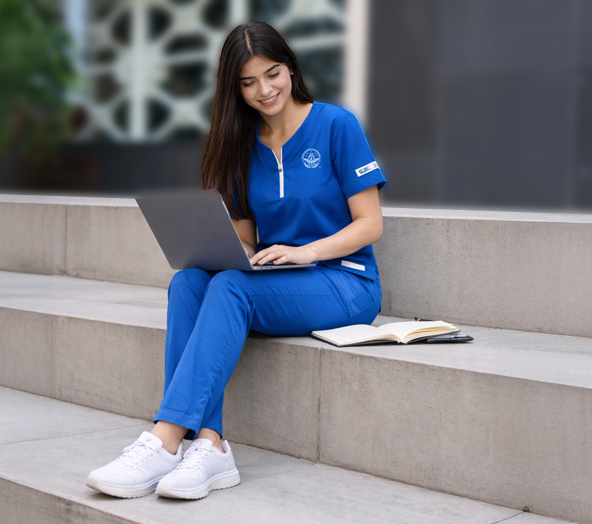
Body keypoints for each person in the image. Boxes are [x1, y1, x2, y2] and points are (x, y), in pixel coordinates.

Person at [86, 20, 386, 501]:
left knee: (229, 287)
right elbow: (245, 242)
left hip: (343, 283)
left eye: (272, 74)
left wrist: (304, 251)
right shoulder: (242, 148)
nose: (264, 90)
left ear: (290, 68)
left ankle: (164, 441)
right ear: (234, 89)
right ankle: (209, 444)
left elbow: (370, 224)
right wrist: (232, 250)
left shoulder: (336, 125)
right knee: (189, 281)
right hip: (278, 284)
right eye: (248, 82)